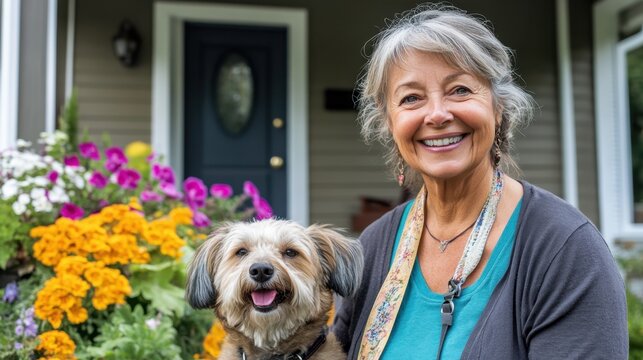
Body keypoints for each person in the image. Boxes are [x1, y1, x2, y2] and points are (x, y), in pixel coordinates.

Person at [333, 4, 628, 360]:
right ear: (390, 122)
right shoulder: (375, 247)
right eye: (411, 98)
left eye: (459, 90)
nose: (438, 114)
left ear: (498, 106)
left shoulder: (564, 250)